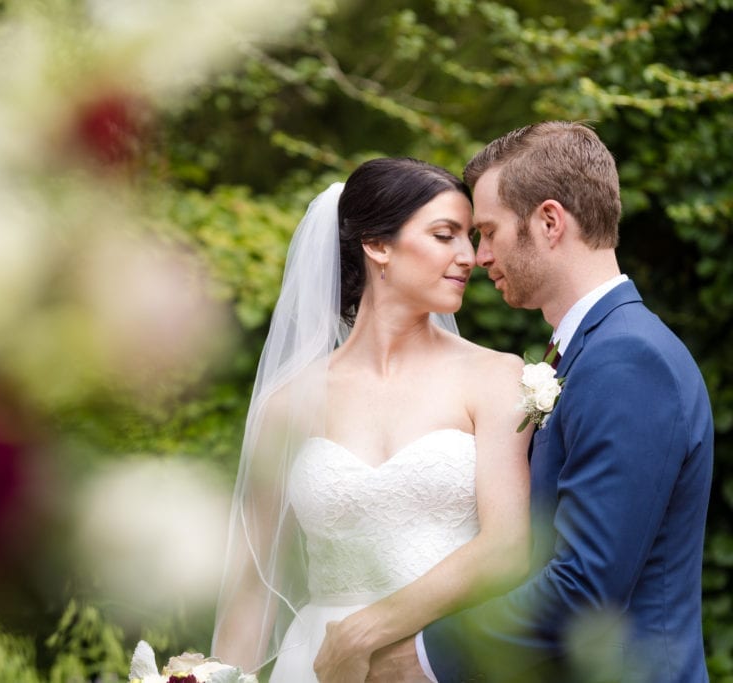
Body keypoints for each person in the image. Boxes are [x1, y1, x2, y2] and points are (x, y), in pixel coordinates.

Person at [370, 122, 714, 682]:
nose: (479, 257)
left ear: (549, 221)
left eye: (487, 232)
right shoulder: (587, 351)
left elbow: (586, 583)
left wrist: (422, 660)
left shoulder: (628, 359)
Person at [211, 157, 533, 682]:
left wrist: (365, 631)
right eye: (445, 235)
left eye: (469, 237)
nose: (469, 257)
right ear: (378, 245)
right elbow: (253, 586)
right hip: (314, 666)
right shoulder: (289, 404)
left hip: (444, 660)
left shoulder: (495, 377)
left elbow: (505, 548)